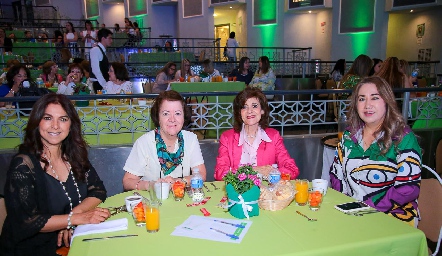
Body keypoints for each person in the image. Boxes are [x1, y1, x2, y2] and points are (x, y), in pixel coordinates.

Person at [0, 94, 109, 255]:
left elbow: (98, 190)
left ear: (71, 124)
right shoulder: (23, 165)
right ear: (37, 122)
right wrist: (74, 220)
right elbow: (28, 221)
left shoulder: (74, 156)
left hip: (69, 242)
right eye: (48, 118)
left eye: (63, 119)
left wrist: (72, 218)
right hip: (31, 249)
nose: (56, 126)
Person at [329, 76, 421, 225]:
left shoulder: (402, 138)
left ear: (387, 101)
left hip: (393, 215)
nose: (367, 105)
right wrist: (345, 204)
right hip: (353, 212)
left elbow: (407, 189)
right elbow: (336, 175)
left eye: (374, 98)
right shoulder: (350, 135)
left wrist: (368, 208)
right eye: (361, 99)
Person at [122, 90, 207, 190]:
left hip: (183, 200)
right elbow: (127, 181)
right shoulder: (144, 142)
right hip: (152, 202)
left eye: (178, 113)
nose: (172, 119)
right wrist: (151, 185)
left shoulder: (191, 138)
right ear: (158, 117)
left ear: (184, 116)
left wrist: (179, 182)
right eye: (166, 114)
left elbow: (201, 174)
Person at [214, 87, 299, 181]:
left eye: (254, 106)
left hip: (266, 192)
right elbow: (220, 173)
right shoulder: (227, 137)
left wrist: (272, 172)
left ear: (262, 110)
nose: (249, 111)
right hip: (237, 193)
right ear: (239, 112)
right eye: (244, 107)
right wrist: (255, 171)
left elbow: (292, 170)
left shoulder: (273, 136)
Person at [90, 28, 113, 93]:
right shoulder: (96, 50)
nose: (111, 41)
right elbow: (96, 70)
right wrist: (105, 85)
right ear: (103, 38)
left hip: (101, 83)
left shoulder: (101, 50)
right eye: (109, 38)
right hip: (99, 84)